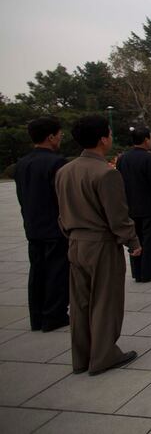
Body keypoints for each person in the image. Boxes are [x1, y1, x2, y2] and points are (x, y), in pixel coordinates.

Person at [54, 115, 141, 375]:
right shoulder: (106, 173)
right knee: (105, 299)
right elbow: (117, 216)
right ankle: (103, 355)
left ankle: (81, 356)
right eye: (110, 134)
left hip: (75, 242)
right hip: (100, 244)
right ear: (103, 139)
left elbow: (60, 210)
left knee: (80, 302)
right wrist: (132, 240)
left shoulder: (64, 171)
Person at [13, 116, 69, 332]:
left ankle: (37, 316)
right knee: (57, 271)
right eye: (59, 134)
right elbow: (61, 197)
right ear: (51, 137)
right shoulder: (56, 163)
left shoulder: (22, 163)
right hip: (54, 226)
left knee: (37, 271)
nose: (61, 137)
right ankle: (54, 315)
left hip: (33, 225)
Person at [116, 127, 151, 283]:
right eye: (150, 138)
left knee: (135, 239)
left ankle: (137, 271)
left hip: (130, 206)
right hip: (149, 206)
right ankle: (150, 271)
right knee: (150, 240)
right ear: (146, 140)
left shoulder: (122, 159)